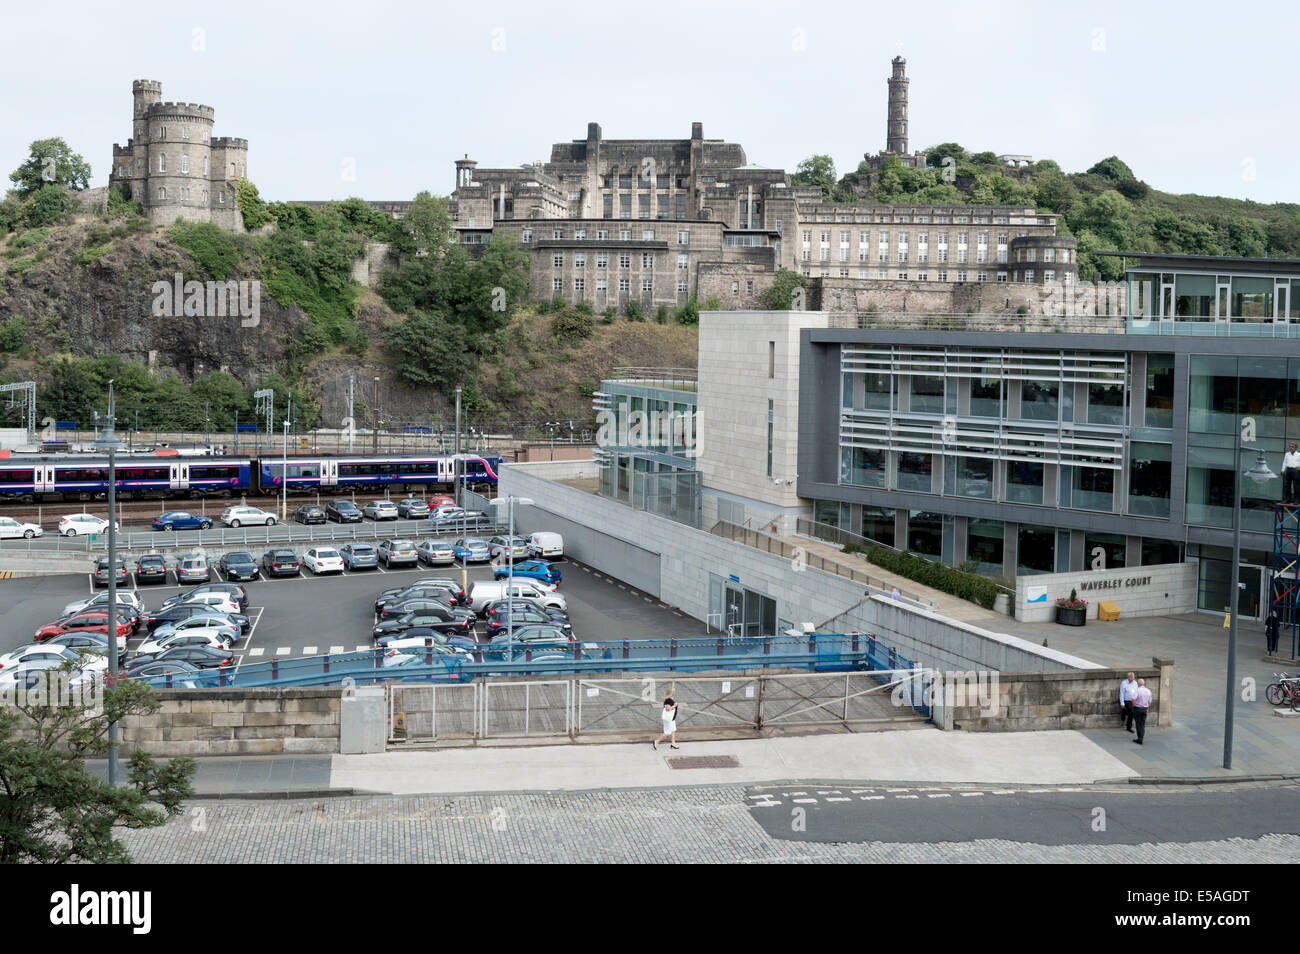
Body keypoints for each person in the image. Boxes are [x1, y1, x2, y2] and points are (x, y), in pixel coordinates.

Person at [1132, 678, 1152, 745]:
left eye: (1137, 683)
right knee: (1142, 724)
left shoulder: (1137, 690)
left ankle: (1139, 739)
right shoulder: (1148, 691)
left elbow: (1133, 699)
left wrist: (1134, 705)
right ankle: (1141, 738)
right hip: (1144, 709)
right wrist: (1146, 707)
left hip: (1138, 708)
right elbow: (1149, 701)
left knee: (1138, 723)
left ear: (1139, 684)